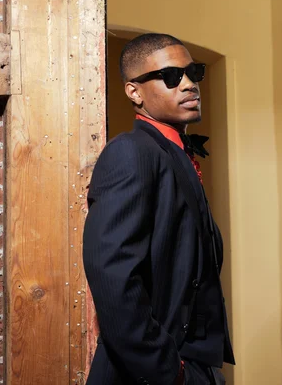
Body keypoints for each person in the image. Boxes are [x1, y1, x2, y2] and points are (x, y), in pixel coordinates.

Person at [83, 33, 234, 385]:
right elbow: (112, 276)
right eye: (170, 77)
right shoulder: (131, 152)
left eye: (193, 72)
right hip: (154, 373)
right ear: (134, 92)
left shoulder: (174, 155)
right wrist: (171, 372)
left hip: (195, 366)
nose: (189, 84)